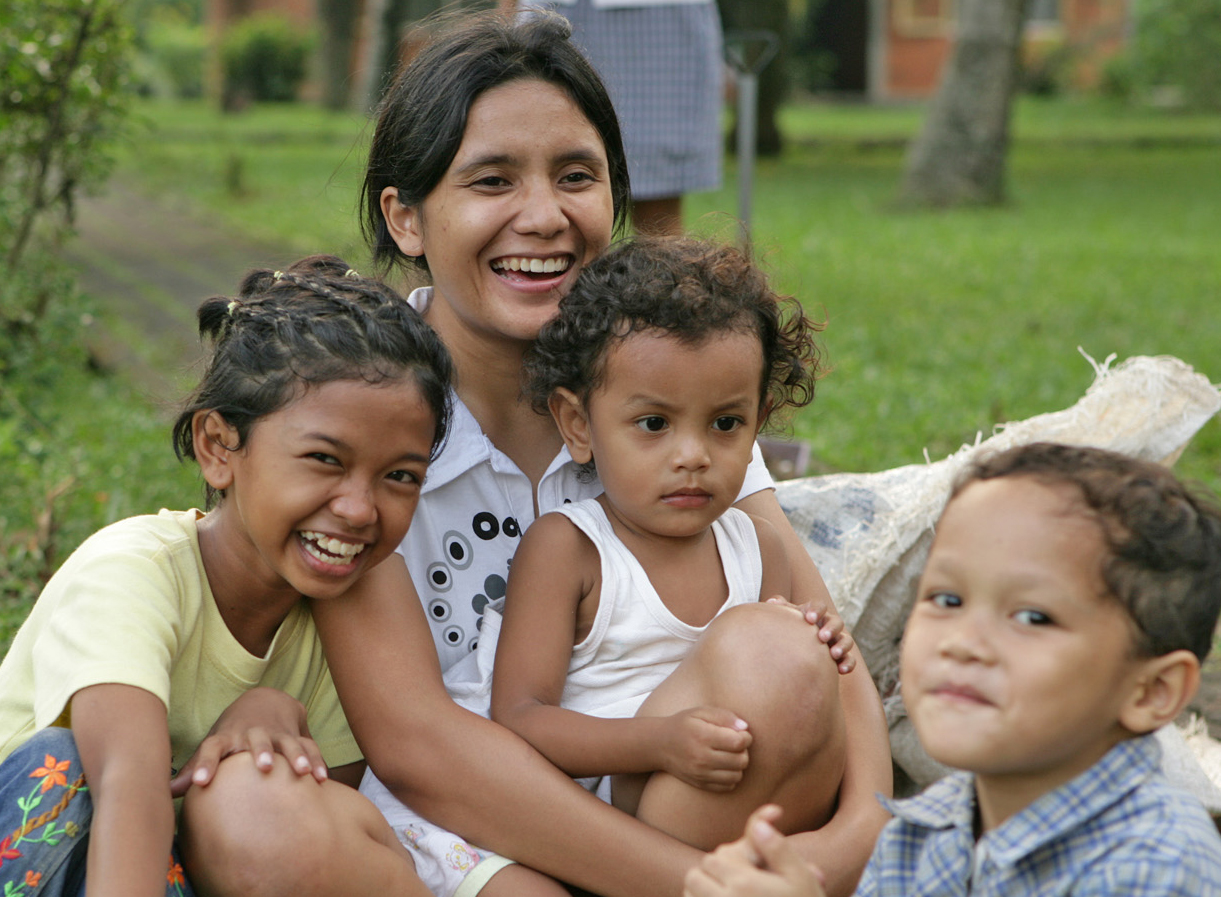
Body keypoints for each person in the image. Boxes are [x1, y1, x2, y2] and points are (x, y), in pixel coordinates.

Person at [184, 13, 891, 897]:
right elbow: (418, 743)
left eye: (576, 177)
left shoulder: (665, 385)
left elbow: (825, 646)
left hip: (663, 792)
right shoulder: (362, 406)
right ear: (405, 217)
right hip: (454, 826)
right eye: (491, 179)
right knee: (247, 813)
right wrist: (694, 884)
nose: (544, 216)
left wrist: (864, 830)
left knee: (778, 659)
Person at [359, 236, 848, 895]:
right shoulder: (570, 548)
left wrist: (822, 643)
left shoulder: (757, 546)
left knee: (792, 668)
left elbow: (800, 690)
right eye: (652, 423)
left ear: (758, 422)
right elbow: (523, 717)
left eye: (725, 424)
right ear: (578, 424)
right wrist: (656, 742)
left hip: (707, 796)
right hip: (574, 812)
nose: (692, 455)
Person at [0, 255, 453, 896]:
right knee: (69, 766)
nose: (359, 508)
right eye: (324, 459)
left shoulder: (345, 627)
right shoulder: (133, 574)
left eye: (400, 476)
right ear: (219, 447)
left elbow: (298, 852)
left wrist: (276, 709)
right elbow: (128, 789)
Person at [684, 442, 1221, 897]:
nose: (962, 643)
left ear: (1151, 690)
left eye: (1032, 616)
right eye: (945, 599)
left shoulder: (1158, 863)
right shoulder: (922, 834)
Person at [506, 0, 725, 236]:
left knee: (659, 215)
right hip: (557, 10)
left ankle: (659, 273)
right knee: (550, 182)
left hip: (663, 13)